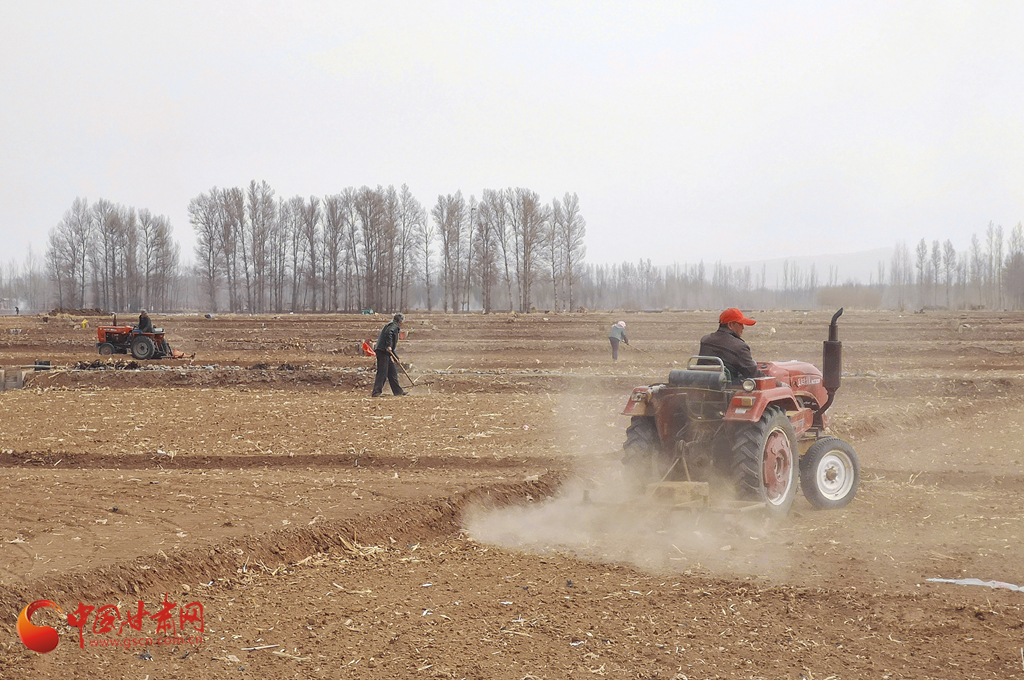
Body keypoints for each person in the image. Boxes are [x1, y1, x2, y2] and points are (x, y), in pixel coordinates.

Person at [698, 308, 765, 381]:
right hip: (729, 388)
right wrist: (776, 383)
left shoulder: (705, 340)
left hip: (703, 383)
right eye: (740, 324)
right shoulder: (739, 347)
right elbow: (754, 374)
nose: (743, 328)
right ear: (730, 325)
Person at [372, 313, 406, 397]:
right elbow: (389, 333)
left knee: (392, 372)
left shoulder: (392, 325)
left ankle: (398, 392)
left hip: (385, 351)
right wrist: (389, 345)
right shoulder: (393, 326)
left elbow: (391, 348)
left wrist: (396, 358)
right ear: (400, 321)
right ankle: (376, 392)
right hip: (382, 351)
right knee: (382, 372)